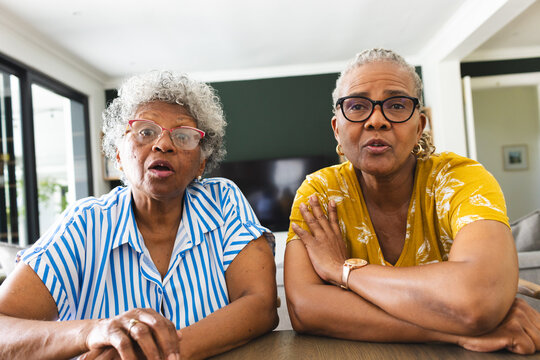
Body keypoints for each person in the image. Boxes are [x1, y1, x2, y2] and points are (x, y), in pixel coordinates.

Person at [0, 71, 278, 360]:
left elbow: (261, 305)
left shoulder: (222, 201)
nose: (164, 145)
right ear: (117, 154)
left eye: (183, 136)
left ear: (201, 163)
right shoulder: (85, 224)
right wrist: (94, 332)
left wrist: (144, 354)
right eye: (146, 131)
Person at [284, 48, 540, 355]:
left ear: (419, 127)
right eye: (356, 106)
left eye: (396, 105)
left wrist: (343, 271)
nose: (376, 120)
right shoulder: (319, 192)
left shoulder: (462, 178)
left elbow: (477, 298)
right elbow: (305, 309)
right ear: (337, 129)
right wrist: (452, 331)